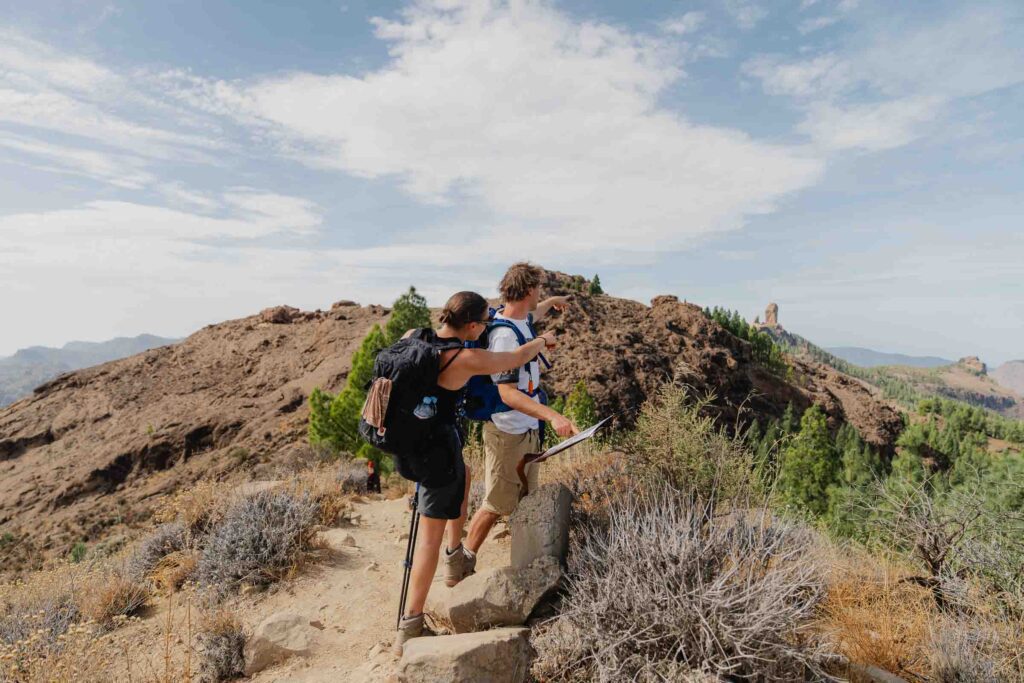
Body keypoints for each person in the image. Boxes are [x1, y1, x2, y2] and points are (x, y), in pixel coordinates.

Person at [393, 290, 557, 655]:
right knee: (428, 540)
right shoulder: (465, 357)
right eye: (483, 322)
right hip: (437, 452)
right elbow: (516, 356)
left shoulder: (416, 337)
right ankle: (411, 626)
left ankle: (457, 556)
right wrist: (543, 340)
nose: (486, 327)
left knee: (464, 478)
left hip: (410, 446)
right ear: (470, 324)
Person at [463, 263, 579, 568]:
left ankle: (526, 564)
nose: (539, 294)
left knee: (527, 499)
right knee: (496, 503)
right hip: (508, 432)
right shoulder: (505, 337)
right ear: (528, 290)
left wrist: (552, 303)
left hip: (527, 430)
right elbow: (507, 393)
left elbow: (533, 313)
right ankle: (461, 562)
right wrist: (553, 416)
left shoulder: (521, 321)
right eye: (538, 289)